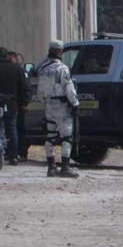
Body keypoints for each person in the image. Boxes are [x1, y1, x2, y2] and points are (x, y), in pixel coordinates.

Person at [37, 41, 80, 177]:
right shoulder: (63, 69)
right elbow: (69, 89)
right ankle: (65, 167)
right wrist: (75, 104)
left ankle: (51, 167)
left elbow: (40, 91)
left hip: (49, 106)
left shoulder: (42, 69)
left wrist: (46, 103)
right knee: (67, 137)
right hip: (62, 107)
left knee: (50, 137)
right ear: (60, 52)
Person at [0, 47, 28, 166]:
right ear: (7, 56)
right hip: (12, 103)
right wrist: (23, 103)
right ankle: (14, 156)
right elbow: (24, 88)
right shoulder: (17, 69)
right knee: (12, 130)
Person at [8, 51, 31, 161]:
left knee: (19, 128)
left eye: (10, 58)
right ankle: (13, 152)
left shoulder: (21, 71)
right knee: (12, 129)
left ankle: (21, 152)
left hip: (19, 104)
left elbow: (27, 89)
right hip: (12, 104)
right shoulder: (11, 70)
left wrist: (25, 103)